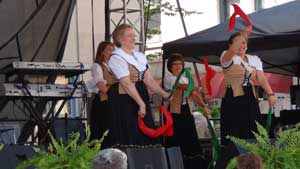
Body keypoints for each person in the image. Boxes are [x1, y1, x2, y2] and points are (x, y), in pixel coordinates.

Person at [107, 23, 170, 146]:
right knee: (131, 130)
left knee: (146, 130)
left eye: (134, 35)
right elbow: (126, 84)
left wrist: (165, 94)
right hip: (125, 98)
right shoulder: (117, 57)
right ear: (120, 39)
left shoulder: (139, 56)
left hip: (140, 92)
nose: (134, 38)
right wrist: (141, 104)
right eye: (130, 35)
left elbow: (149, 80)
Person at [220, 26, 277, 145]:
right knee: (235, 130)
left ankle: (253, 159)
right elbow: (231, 52)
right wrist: (244, 34)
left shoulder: (254, 59)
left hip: (250, 95)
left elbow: (261, 78)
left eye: (244, 43)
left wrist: (270, 94)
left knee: (253, 128)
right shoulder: (227, 56)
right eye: (238, 43)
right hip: (233, 96)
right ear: (231, 46)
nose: (241, 45)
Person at [164, 53, 210, 169]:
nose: (178, 66)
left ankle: (193, 165)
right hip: (174, 112)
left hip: (185, 110)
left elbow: (194, 94)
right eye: (175, 64)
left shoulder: (186, 78)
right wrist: (195, 86)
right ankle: (176, 164)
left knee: (191, 138)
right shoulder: (168, 78)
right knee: (176, 138)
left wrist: (203, 106)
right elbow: (179, 86)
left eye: (180, 64)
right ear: (170, 66)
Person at [87, 41, 114, 140]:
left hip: (112, 100)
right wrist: (112, 89)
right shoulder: (97, 66)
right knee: (102, 127)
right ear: (102, 51)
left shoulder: (112, 66)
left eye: (112, 50)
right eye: (109, 50)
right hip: (102, 101)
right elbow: (101, 86)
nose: (111, 52)